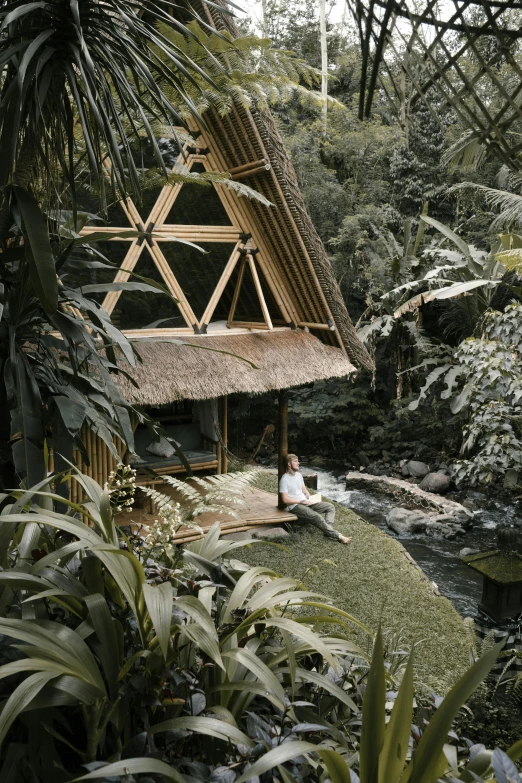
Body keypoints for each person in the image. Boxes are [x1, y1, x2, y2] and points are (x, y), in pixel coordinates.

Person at [279, 454, 352, 544]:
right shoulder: (284, 480)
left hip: (306, 502)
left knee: (330, 507)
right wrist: (301, 501)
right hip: (295, 506)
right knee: (316, 517)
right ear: (289, 464)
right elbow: (285, 500)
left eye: (298, 461)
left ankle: (328, 530)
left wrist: (310, 498)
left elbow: (304, 490)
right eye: (296, 461)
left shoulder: (298, 475)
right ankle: (338, 536)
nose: (298, 463)